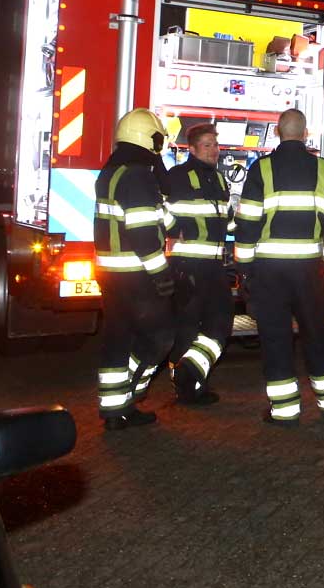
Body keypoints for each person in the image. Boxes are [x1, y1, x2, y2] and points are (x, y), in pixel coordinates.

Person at [234, 108, 324, 425]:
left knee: (275, 338)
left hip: (270, 272)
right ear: (305, 133)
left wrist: (245, 271)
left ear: (278, 134)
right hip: (310, 270)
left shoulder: (262, 169)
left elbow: (247, 224)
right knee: (316, 333)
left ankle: (285, 411)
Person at [94, 109, 177, 431]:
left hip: (112, 273)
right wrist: (161, 274)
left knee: (117, 339)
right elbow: (143, 232)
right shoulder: (137, 175)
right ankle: (129, 394)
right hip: (137, 274)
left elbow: (159, 220)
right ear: (149, 138)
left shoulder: (112, 172)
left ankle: (113, 409)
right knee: (159, 338)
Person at [164, 123, 235, 406]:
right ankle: (188, 388)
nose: (213, 150)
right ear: (191, 149)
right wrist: (172, 230)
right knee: (188, 329)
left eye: (215, 145)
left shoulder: (217, 179)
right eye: (207, 145)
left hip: (215, 267)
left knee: (220, 324)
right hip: (188, 266)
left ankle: (189, 372)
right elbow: (163, 214)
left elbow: (224, 220)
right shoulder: (178, 176)